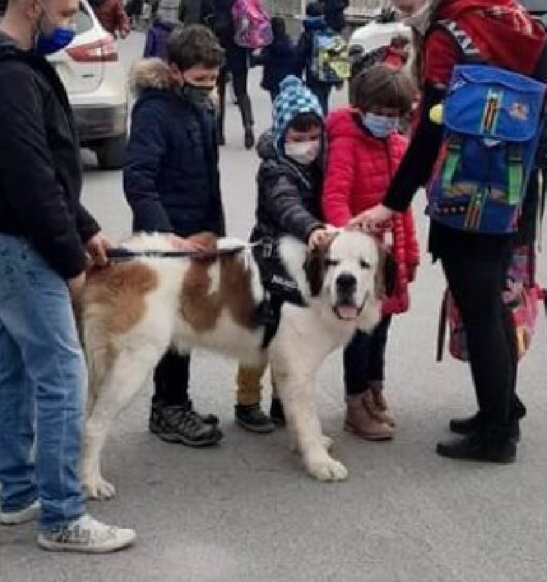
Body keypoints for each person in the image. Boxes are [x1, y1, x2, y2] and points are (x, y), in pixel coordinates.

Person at [0, 0, 136, 553]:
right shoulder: (4, 78)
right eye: (67, 11)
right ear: (32, 4)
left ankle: (19, 493)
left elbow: (48, 165)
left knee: (17, 365)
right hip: (18, 243)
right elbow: (30, 179)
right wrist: (72, 260)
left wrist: (87, 226)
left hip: (9, 237)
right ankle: (63, 516)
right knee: (61, 373)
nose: (72, 24)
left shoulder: (12, 66)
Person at [349, 0, 547, 464]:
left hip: (470, 190)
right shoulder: (496, 13)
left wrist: (392, 202)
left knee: (479, 308)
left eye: (406, 2)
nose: (401, 12)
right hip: (512, 183)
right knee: (493, 303)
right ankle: (500, 408)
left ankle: (497, 434)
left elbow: (434, 130)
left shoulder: (447, 37)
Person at [124, 24, 227, 447]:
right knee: (166, 329)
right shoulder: (153, 112)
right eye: (200, 79)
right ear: (174, 71)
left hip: (198, 234)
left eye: (213, 79)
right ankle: (167, 407)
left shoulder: (200, 107)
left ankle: (175, 403)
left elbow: (208, 175)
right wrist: (165, 238)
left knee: (186, 326)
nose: (208, 87)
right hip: (167, 241)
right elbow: (139, 180)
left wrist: (215, 232)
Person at [323, 64, 419, 441]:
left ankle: (375, 391)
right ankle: (355, 402)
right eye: (379, 113)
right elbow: (334, 198)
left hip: (387, 262)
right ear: (361, 107)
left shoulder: (397, 145)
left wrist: (408, 257)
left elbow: (402, 210)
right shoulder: (347, 142)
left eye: (394, 115)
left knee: (381, 331)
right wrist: (351, 247)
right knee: (360, 335)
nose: (386, 121)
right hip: (362, 263)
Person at [235, 75, 331, 432]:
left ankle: (281, 399)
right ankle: (247, 400)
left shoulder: (320, 165)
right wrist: (310, 228)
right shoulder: (275, 169)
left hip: (303, 263)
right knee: (262, 332)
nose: (307, 145)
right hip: (270, 260)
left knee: (294, 336)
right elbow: (285, 205)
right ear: (281, 136)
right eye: (297, 137)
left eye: (313, 137)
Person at [207, 0, 255, 149]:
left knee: (217, 91)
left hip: (215, 48)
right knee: (241, 91)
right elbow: (248, 21)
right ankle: (248, 126)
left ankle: (219, 133)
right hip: (238, 47)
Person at [297, 1, 338, 115]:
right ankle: (323, 122)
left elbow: (300, 56)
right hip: (328, 74)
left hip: (313, 75)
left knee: (316, 101)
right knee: (324, 99)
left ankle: (321, 125)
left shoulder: (307, 34)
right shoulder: (329, 32)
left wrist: (297, 74)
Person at [253, 16, 302, 104]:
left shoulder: (270, 44)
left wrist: (252, 59)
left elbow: (264, 58)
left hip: (274, 80)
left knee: (277, 103)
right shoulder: (288, 42)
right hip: (288, 79)